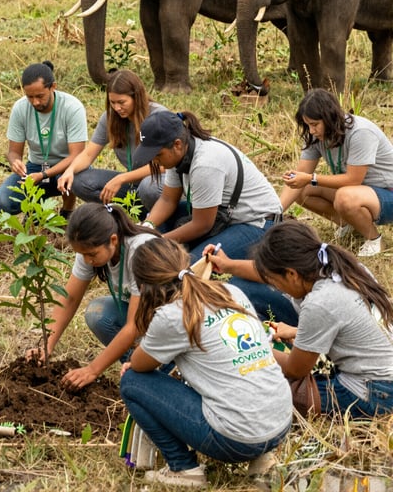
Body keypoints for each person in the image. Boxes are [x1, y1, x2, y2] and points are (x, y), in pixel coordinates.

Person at [120, 237, 292, 489]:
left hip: (236, 440)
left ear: (144, 285)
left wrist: (134, 364)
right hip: (280, 424)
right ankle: (263, 459)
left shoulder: (172, 316)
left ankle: (183, 468)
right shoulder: (232, 292)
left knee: (132, 382)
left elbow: (139, 364)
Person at [251, 220, 393, 417]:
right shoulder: (348, 269)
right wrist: (296, 332)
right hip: (385, 375)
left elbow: (295, 369)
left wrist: (256, 349)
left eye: (275, 282)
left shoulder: (319, 302)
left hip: (377, 392)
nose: (277, 289)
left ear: (291, 274)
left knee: (263, 392)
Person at [26, 202, 155, 390]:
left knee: (113, 321)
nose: (87, 260)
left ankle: (159, 366)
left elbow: (134, 326)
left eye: (91, 254)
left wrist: (92, 370)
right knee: (97, 313)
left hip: (172, 323)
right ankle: (139, 367)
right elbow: (70, 298)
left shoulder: (141, 251)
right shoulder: (91, 247)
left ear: (113, 240)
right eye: (82, 254)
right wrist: (47, 345)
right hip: (144, 316)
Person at [135, 111, 282, 261]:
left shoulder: (205, 164)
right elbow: (167, 199)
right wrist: (148, 226)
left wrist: (160, 242)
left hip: (256, 223)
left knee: (188, 267)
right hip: (220, 214)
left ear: (177, 144)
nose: (154, 160)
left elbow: (202, 225)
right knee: (153, 232)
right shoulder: (180, 153)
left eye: (157, 155)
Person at [280, 88, 393, 256]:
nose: (311, 131)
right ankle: (352, 224)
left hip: (387, 193)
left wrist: (311, 178)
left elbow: (353, 180)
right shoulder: (316, 137)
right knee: (303, 190)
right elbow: (299, 177)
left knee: (344, 197)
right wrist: (274, 212)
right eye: (308, 125)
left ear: (329, 118)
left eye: (315, 124)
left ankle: (374, 239)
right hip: (362, 193)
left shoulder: (360, 132)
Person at [58, 69, 168, 212]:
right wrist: (70, 170)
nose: (117, 108)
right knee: (78, 180)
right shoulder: (110, 117)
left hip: (157, 181)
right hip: (131, 183)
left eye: (122, 102)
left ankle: (159, 216)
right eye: (112, 102)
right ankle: (123, 213)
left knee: (149, 188)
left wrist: (121, 179)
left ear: (137, 97)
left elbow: (163, 165)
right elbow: (88, 154)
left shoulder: (158, 116)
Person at [0, 61, 87, 217]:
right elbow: (13, 152)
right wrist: (15, 162)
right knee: (2, 202)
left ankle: (68, 211)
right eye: (30, 97)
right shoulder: (20, 108)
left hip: (66, 165)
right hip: (36, 166)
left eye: (40, 96)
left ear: (53, 87)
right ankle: (36, 212)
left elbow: (77, 155)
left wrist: (44, 175)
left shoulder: (72, 107)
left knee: (74, 176)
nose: (35, 102)